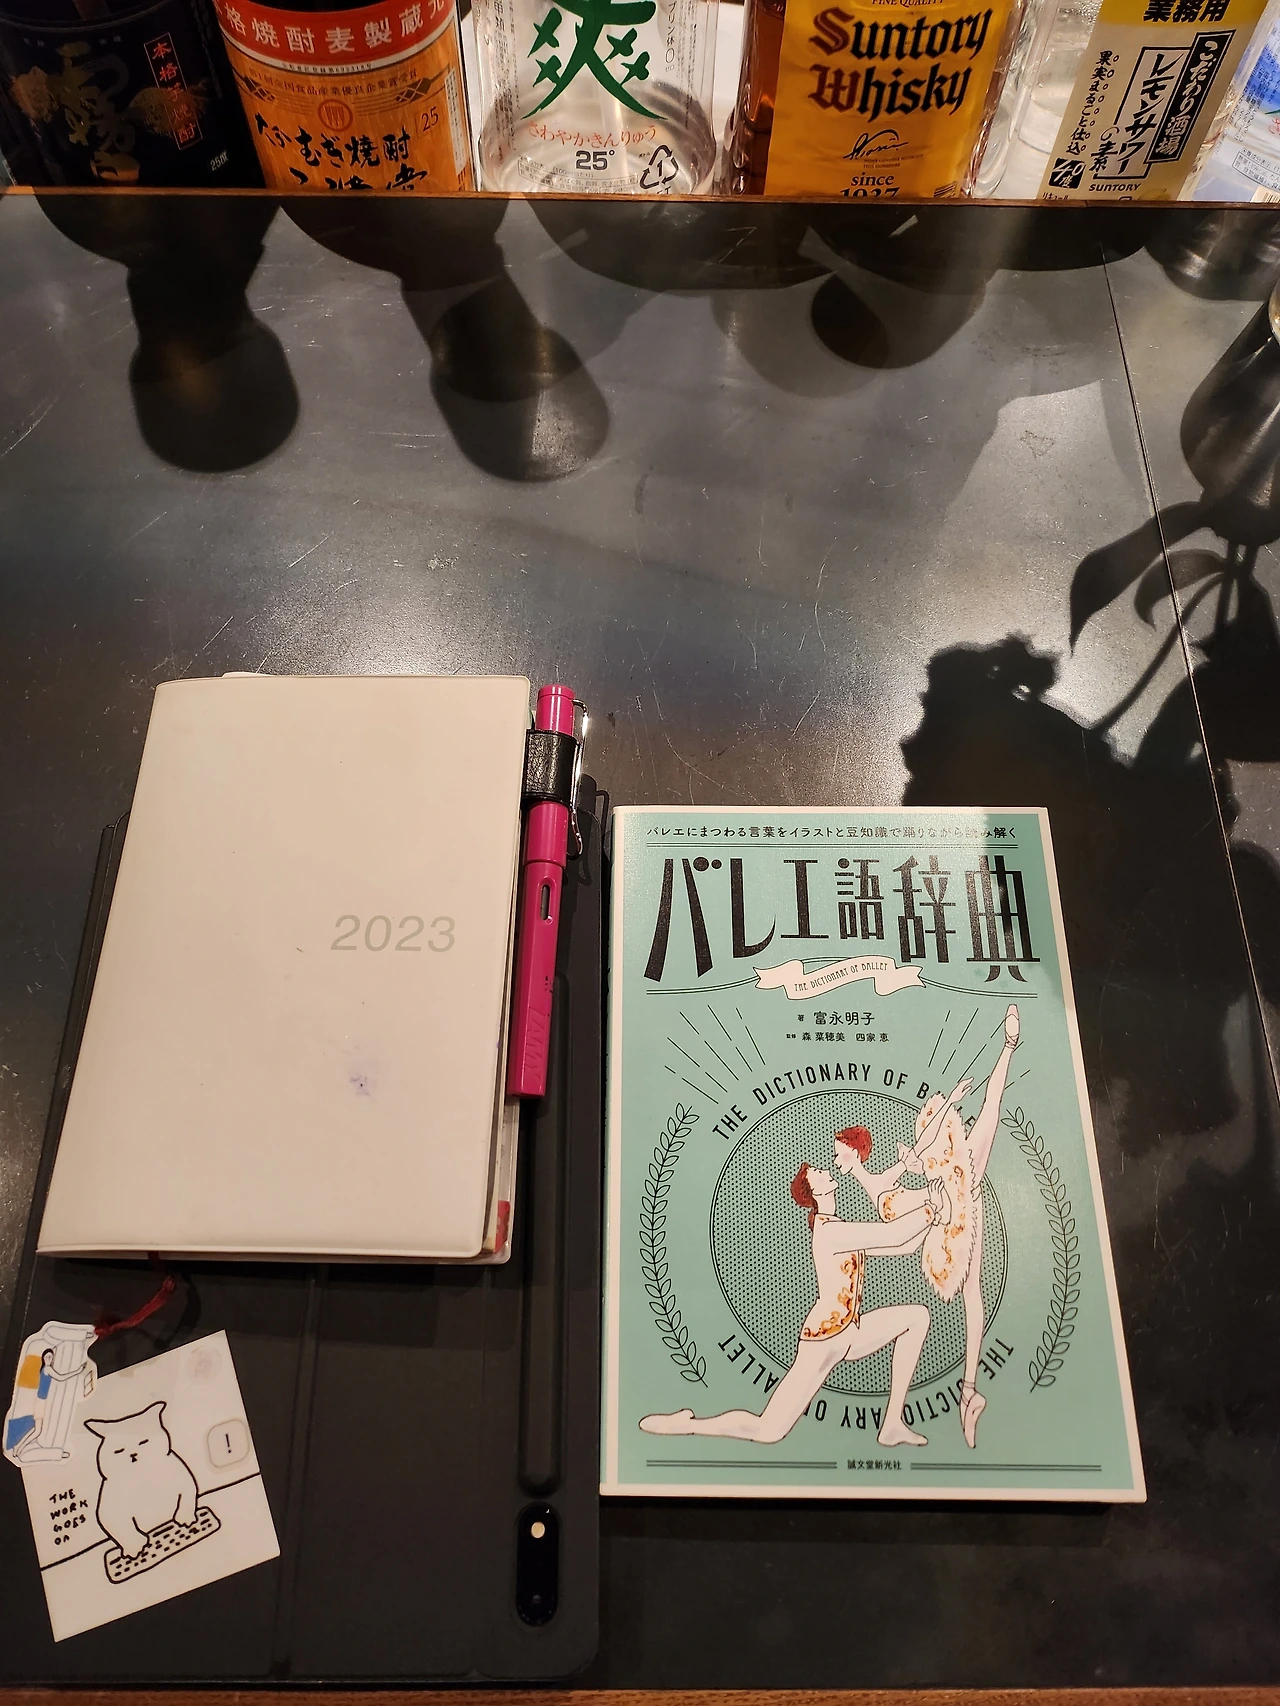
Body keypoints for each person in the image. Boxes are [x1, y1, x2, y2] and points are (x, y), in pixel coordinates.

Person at [640, 1163, 946, 1448]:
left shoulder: (839, 1227)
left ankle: (891, 1424)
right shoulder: (829, 1231)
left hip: (850, 1333)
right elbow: (892, 1234)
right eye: (817, 1173)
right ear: (816, 1192)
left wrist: (937, 1216)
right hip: (824, 1340)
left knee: (916, 1317)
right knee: (768, 1430)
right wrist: (931, 1208)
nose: (825, 1170)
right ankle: (687, 1425)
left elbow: (903, 1245)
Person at [833, 1001, 1020, 1448]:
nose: (837, 1160)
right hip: (947, 1219)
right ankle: (969, 1394)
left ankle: (1009, 1046)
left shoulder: (886, 1178)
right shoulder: (881, 1183)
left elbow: (926, 1146)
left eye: (840, 1152)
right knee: (970, 1293)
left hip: (954, 1189)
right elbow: (899, 1242)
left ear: (855, 1152)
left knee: (990, 1110)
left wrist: (949, 1106)